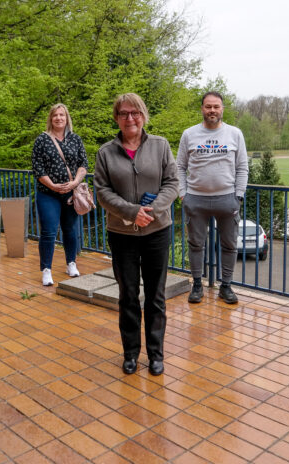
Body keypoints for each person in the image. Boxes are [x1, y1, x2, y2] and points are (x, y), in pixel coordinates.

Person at [94, 93, 178, 376]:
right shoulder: (106, 152)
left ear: (144, 116)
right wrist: (131, 212)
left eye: (135, 113)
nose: (130, 118)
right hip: (122, 233)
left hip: (157, 230)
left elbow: (172, 183)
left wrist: (151, 210)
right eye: (124, 113)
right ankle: (130, 353)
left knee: (155, 295)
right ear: (117, 118)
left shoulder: (161, 145)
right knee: (128, 294)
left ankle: (156, 354)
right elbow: (102, 192)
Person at [177, 91, 249, 304]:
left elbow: (242, 167)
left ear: (222, 109)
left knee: (229, 245)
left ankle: (225, 286)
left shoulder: (235, 134)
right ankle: (197, 284)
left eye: (216, 106)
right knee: (196, 244)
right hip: (195, 200)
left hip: (227, 199)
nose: (212, 110)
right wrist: (183, 194)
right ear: (202, 109)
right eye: (208, 106)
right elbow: (180, 166)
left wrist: (239, 196)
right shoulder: (189, 134)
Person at [31, 103, 89, 286]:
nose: (58, 118)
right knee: (48, 231)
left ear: (67, 118)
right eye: (55, 115)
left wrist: (74, 182)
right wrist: (53, 186)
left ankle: (71, 263)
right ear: (50, 118)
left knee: (70, 229)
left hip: (70, 192)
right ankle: (46, 269)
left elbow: (83, 164)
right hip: (48, 193)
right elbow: (37, 168)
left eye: (62, 115)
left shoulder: (75, 139)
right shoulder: (42, 140)